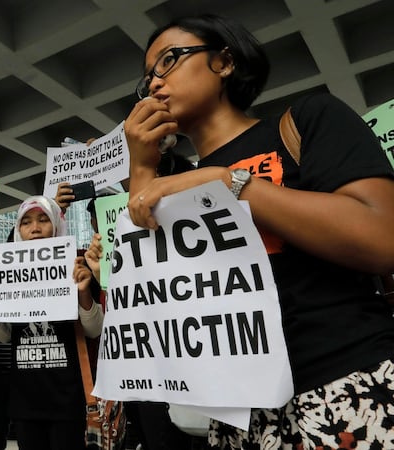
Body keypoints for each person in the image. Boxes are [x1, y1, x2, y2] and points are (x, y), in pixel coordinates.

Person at [123, 13, 394, 449]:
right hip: (240, 416)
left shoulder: (309, 119)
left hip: (346, 384)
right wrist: (140, 165)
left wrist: (230, 183)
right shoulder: (172, 183)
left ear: (224, 62)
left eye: (169, 60)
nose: (155, 82)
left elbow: (382, 239)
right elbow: (156, 284)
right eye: (148, 76)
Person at [0, 196, 102, 450]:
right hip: (25, 401)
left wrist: (83, 293)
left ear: (56, 225)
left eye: (43, 220)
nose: (34, 228)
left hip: (67, 398)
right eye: (26, 222)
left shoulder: (76, 266)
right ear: (19, 231)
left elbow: (94, 329)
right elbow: (5, 335)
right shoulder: (8, 276)